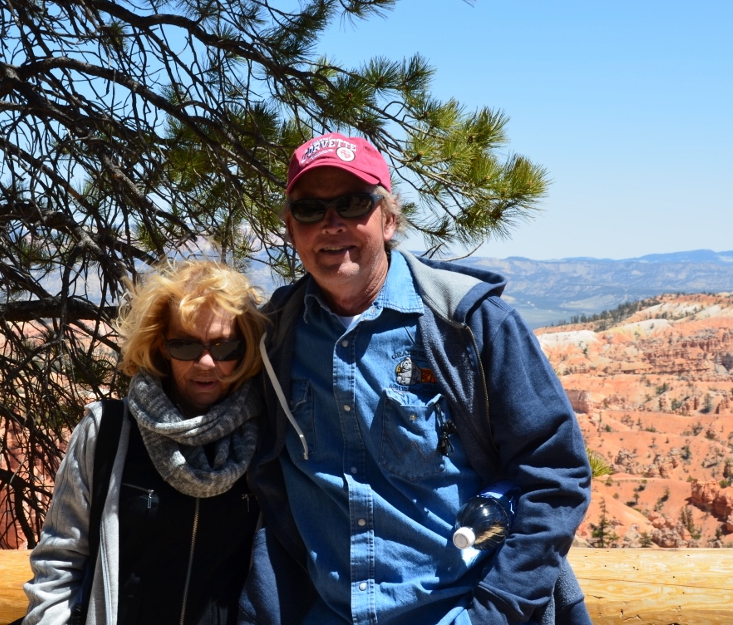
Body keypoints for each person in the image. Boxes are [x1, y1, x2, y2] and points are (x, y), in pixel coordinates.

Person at [240, 133, 592, 624]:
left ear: (389, 219)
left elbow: (556, 475)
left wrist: (495, 613)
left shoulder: (467, 325)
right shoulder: (272, 337)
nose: (332, 223)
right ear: (290, 227)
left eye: (352, 203)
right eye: (310, 209)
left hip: (457, 612)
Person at [23, 260, 269, 625]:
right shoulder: (108, 432)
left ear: (245, 348)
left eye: (223, 347)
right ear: (161, 347)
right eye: (185, 345)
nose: (205, 362)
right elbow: (59, 563)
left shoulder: (265, 438)